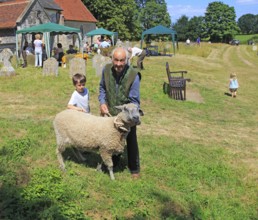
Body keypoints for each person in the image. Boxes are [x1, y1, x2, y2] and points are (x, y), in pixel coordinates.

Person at [98, 47, 142, 179]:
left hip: (127, 115)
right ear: (112, 59)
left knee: (131, 139)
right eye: (115, 60)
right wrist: (102, 102)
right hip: (110, 114)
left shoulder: (133, 75)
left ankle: (134, 168)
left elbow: (134, 100)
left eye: (121, 60)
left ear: (127, 60)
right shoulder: (106, 70)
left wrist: (126, 115)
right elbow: (102, 88)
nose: (118, 64)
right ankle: (111, 161)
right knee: (111, 139)